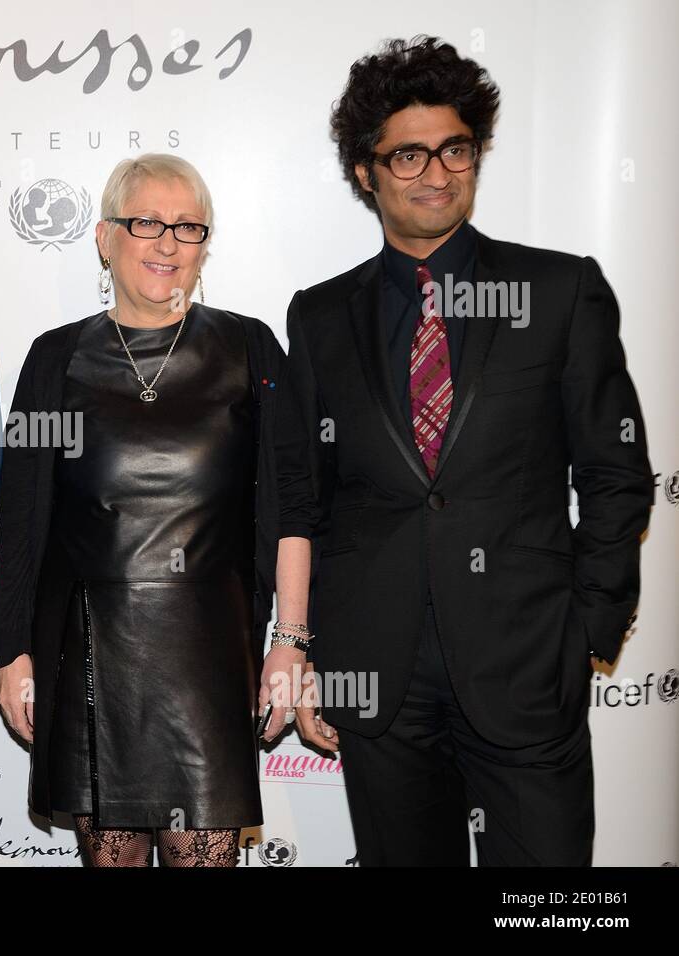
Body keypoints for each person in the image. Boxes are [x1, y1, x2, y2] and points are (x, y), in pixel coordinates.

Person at [269, 36, 654, 865]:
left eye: (455, 148)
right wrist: (306, 648)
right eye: (408, 154)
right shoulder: (320, 317)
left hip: (525, 664)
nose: (437, 173)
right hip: (377, 675)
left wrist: (588, 625)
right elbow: (305, 493)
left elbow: (616, 474)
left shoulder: (559, 291)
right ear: (366, 173)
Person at [0, 154, 286, 867]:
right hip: (95, 659)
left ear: (205, 243)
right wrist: (13, 651)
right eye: (145, 222)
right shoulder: (54, 359)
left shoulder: (249, 348)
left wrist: (292, 641)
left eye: (187, 227)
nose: (166, 242)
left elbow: (287, 508)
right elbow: (23, 517)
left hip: (213, 662)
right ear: (104, 237)